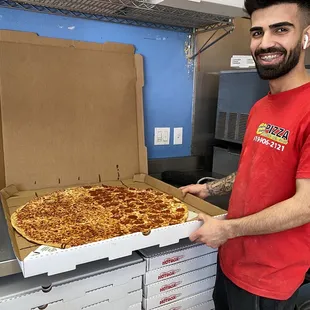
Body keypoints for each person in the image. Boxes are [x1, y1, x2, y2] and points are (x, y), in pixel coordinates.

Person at [181, 1, 310, 309]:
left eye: (281, 29)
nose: (265, 43)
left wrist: (227, 229)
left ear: (306, 36)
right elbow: (259, 169)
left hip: (269, 278)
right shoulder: (261, 106)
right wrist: (210, 189)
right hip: (231, 261)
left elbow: (306, 206)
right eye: (257, 32)